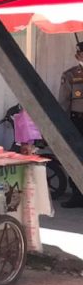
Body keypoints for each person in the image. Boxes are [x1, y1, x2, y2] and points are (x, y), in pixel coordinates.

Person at [58, 41, 83, 207]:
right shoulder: (70, 75)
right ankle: (77, 194)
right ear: (77, 56)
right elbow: (64, 102)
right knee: (76, 157)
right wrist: (63, 125)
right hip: (77, 122)